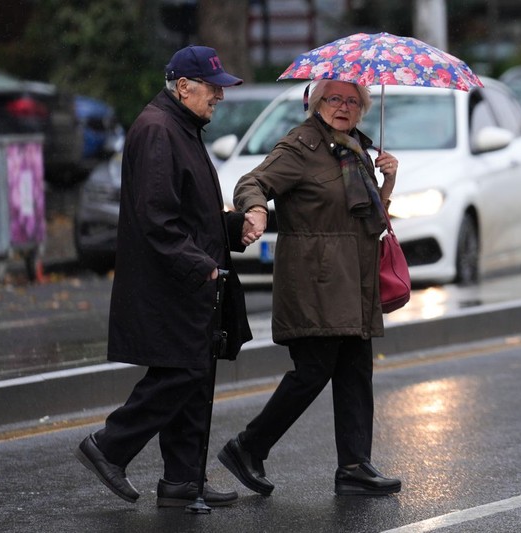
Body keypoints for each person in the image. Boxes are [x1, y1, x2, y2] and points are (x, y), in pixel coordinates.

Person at [74, 45, 254, 507]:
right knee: (183, 373)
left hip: (190, 280)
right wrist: (204, 266)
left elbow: (191, 211)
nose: (220, 96)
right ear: (183, 86)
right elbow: (157, 218)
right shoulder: (158, 129)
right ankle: (109, 446)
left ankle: (182, 483)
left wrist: (234, 229)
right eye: (213, 87)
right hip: (173, 283)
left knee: (195, 376)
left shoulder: (182, 125)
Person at [218, 79, 402, 496]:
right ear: (317, 103)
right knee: (313, 371)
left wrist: (387, 183)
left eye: (353, 101)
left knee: (356, 369)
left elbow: (367, 220)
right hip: (315, 279)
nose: (344, 106)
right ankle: (248, 446)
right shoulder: (302, 145)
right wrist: (256, 212)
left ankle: (355, 465)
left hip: (353, 280)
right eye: (335, 98)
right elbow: (252, 182)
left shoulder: (355, 150)